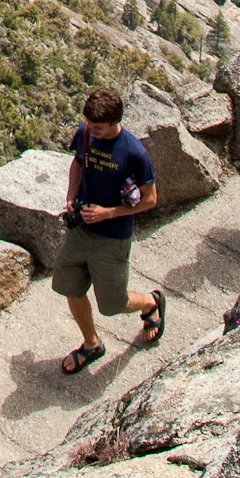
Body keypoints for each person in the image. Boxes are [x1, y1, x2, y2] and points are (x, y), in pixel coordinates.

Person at [53, 88, 165, 375]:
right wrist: (71, 196)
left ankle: (151, 302)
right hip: (81, 228)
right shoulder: (86, 133)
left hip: (112, 237)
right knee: (70, 287)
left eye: (98, 128)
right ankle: (91, 343)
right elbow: (78, 164)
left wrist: (109, 213)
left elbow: (150, 199)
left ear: (115, 121)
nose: (93, 131)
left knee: (113, 304)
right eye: (90, 125)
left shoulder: (134, 153)